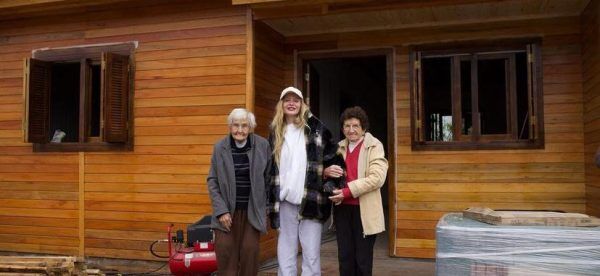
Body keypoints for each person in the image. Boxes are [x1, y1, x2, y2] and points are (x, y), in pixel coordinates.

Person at [268, 86, 338, 276]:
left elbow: (333, 157)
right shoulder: (275, 131)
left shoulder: (317, 128)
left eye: (296, 100)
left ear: (302, 104)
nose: (291, 103)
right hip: (285, 201)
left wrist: (328, 177)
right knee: (285, 250)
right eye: (287, 100)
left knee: (311, 253)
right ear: (281, 104)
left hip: (311, 199)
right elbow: (269, 169)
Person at [207, 108, 271, 276]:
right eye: (236, 125)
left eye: (245, 126)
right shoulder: (220, 147)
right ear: (230, 126)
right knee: (226, 251)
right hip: (227, 212)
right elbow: (212, 181)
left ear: (251, 127)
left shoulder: (262, 145)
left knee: (250, 251)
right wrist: (221, 211)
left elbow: (269, 179)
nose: (240, 130)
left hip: (252, 211)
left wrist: (265, 207)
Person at [328, 106, 388, 276]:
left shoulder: (374, 146)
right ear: (342, 128)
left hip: (364, 210)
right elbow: (330, 174)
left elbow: (377, 178)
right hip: (342, 209)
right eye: (347, 126)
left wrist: (347, 191)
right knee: (345, 258)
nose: (351, 130)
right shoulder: (338, 147)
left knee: (362, 260)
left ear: (363, 128)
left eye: (355, 125)